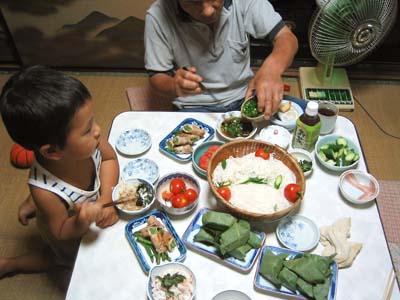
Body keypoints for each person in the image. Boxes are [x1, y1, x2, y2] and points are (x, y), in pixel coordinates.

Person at [0, 65, 119, 277]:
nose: (98, 130)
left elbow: (109, 159)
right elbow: (62, 231)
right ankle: (12, 264)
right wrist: (81, 220)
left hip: (81, 199)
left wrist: (106, 197)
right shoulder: (45, 191)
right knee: (59, 258)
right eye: (87, 129)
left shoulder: (93, 142)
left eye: (92, 121)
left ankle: (30, 205)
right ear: (53, 151)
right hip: (66, 221)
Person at [144, 0, 298, 119]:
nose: (209, 11)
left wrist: (272, 69)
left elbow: (286, 37)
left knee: (304, 121)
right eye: (193, 2)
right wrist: (174, 85)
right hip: (194, 106)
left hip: (245, 97)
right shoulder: (158, 15)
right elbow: (157, 77)